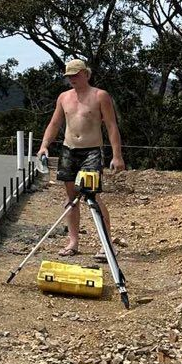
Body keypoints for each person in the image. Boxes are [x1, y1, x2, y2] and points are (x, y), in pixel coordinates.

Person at [37, 57, 126, 258]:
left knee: (91, 196)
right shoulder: (64, 97)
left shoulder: (100, 96)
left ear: (86, 74)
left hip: (91, 151)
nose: (72, 79)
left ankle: (106, 244)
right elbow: (54, 123)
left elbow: (111, 125)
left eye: (76, 75)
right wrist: (44, 146)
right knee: (71, 198)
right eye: (69, 76)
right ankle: (73, 242)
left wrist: (117, 155)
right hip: (69, 150)